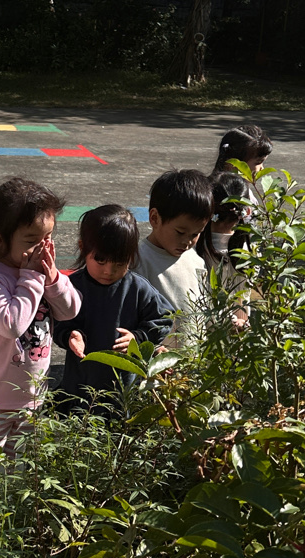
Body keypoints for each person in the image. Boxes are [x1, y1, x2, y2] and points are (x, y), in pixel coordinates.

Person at [0, 176, 81, 480]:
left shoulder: (40, 272)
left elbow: (70, 310)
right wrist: (31, 279)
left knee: (21, 474)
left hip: (32, 399)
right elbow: (12, 324)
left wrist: (53, 277)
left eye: (48, 237)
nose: (43, 248)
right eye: (32, 240)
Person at [53, 205, 173, 408]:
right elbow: (55, 320)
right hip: (79, 389)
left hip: (123, 393)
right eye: (100, 260)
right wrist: (69, 335)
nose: (109, 270)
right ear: (83, 248)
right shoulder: (71, 287)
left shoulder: (137, 288)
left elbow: (164, 316)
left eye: (119, 262)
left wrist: (139, 338)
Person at [133, 169, 214, 343]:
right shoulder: (138, 261)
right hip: (158, 358)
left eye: (195, 234)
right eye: (180, 232)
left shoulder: (196, 261)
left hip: (193, 357)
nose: (188, 241)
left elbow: (206, 309)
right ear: (155, 218)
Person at [196, 172, 253, 327]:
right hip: (240, 327)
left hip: (205, 328)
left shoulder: (196, 246)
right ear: (247, 211)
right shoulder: (248, 247)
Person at [211, 124, 273, 197]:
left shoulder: (246, 191)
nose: (262, 168)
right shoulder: (223, 197)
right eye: (258, 162)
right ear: (232, 164)